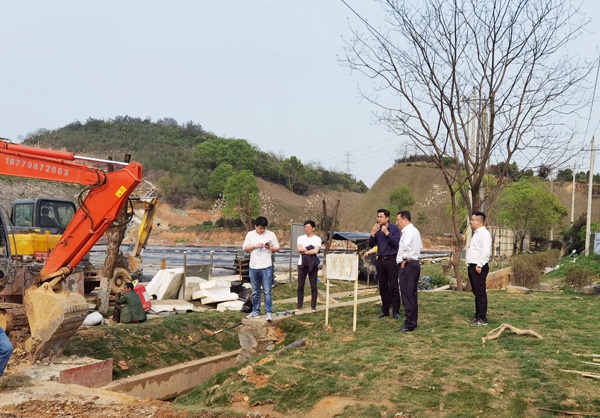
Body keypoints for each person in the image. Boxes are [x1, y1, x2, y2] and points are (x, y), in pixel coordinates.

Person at [243, 216, 280, 322]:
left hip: (266, 266)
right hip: (253, 266)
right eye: (260, 228)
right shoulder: (250, 235)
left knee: (267, 291)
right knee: (255, 291)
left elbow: (277, 248)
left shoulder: (271, 234)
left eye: (264, 228)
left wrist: (270, 248)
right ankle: (255, 310)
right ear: (256, 226)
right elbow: (245, 248)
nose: (262, 230)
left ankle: (268, 311)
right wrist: (255, 246)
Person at [368, 209, 401, 319]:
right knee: (382, 287)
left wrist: (386, 233)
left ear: (387, 218)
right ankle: (385, 310)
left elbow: (396, 243)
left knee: (394, 287)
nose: (378, 219)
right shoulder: (376, 229)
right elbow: (371, 244)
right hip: (380, 260)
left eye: (381, 217)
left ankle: (396, 311)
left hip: (391, 259)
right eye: (378, 217)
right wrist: (372, 233)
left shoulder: (395, 229)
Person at [395, 210, 422, 333]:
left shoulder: (408, 231)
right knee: (412, 295)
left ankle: (409, 323)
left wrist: (404, 259)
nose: (397, 223)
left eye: (398, 220)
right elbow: (419, 246)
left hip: (408, 265)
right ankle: (412, 321)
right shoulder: (415, 231)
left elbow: (406, 246)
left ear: (405, 219)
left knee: (407, 295)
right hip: (414, 264)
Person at [465, 211, 492, 326]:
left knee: (480, 292)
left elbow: (486, 251)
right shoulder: (477, 233)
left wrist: (480, 265)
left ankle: (482, 318)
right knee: (477, 292)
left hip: (478, 267)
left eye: (472, 220)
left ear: (479, 221)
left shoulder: (484, 234)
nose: (470, 222)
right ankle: (478, 315)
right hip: (473, 266)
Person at [296, 220, 321, 312]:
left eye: (308, 227)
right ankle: (299, 305)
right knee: (300, 286)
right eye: (305, 227)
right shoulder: (300, 238)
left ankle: (313, 306)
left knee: (313, 285)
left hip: (312, 264)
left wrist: (305, 251)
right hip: (302, 263)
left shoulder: (317, 239)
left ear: (313, 228)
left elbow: (315, 251)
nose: (306, 229)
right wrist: (309, 248)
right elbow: (298, 249)